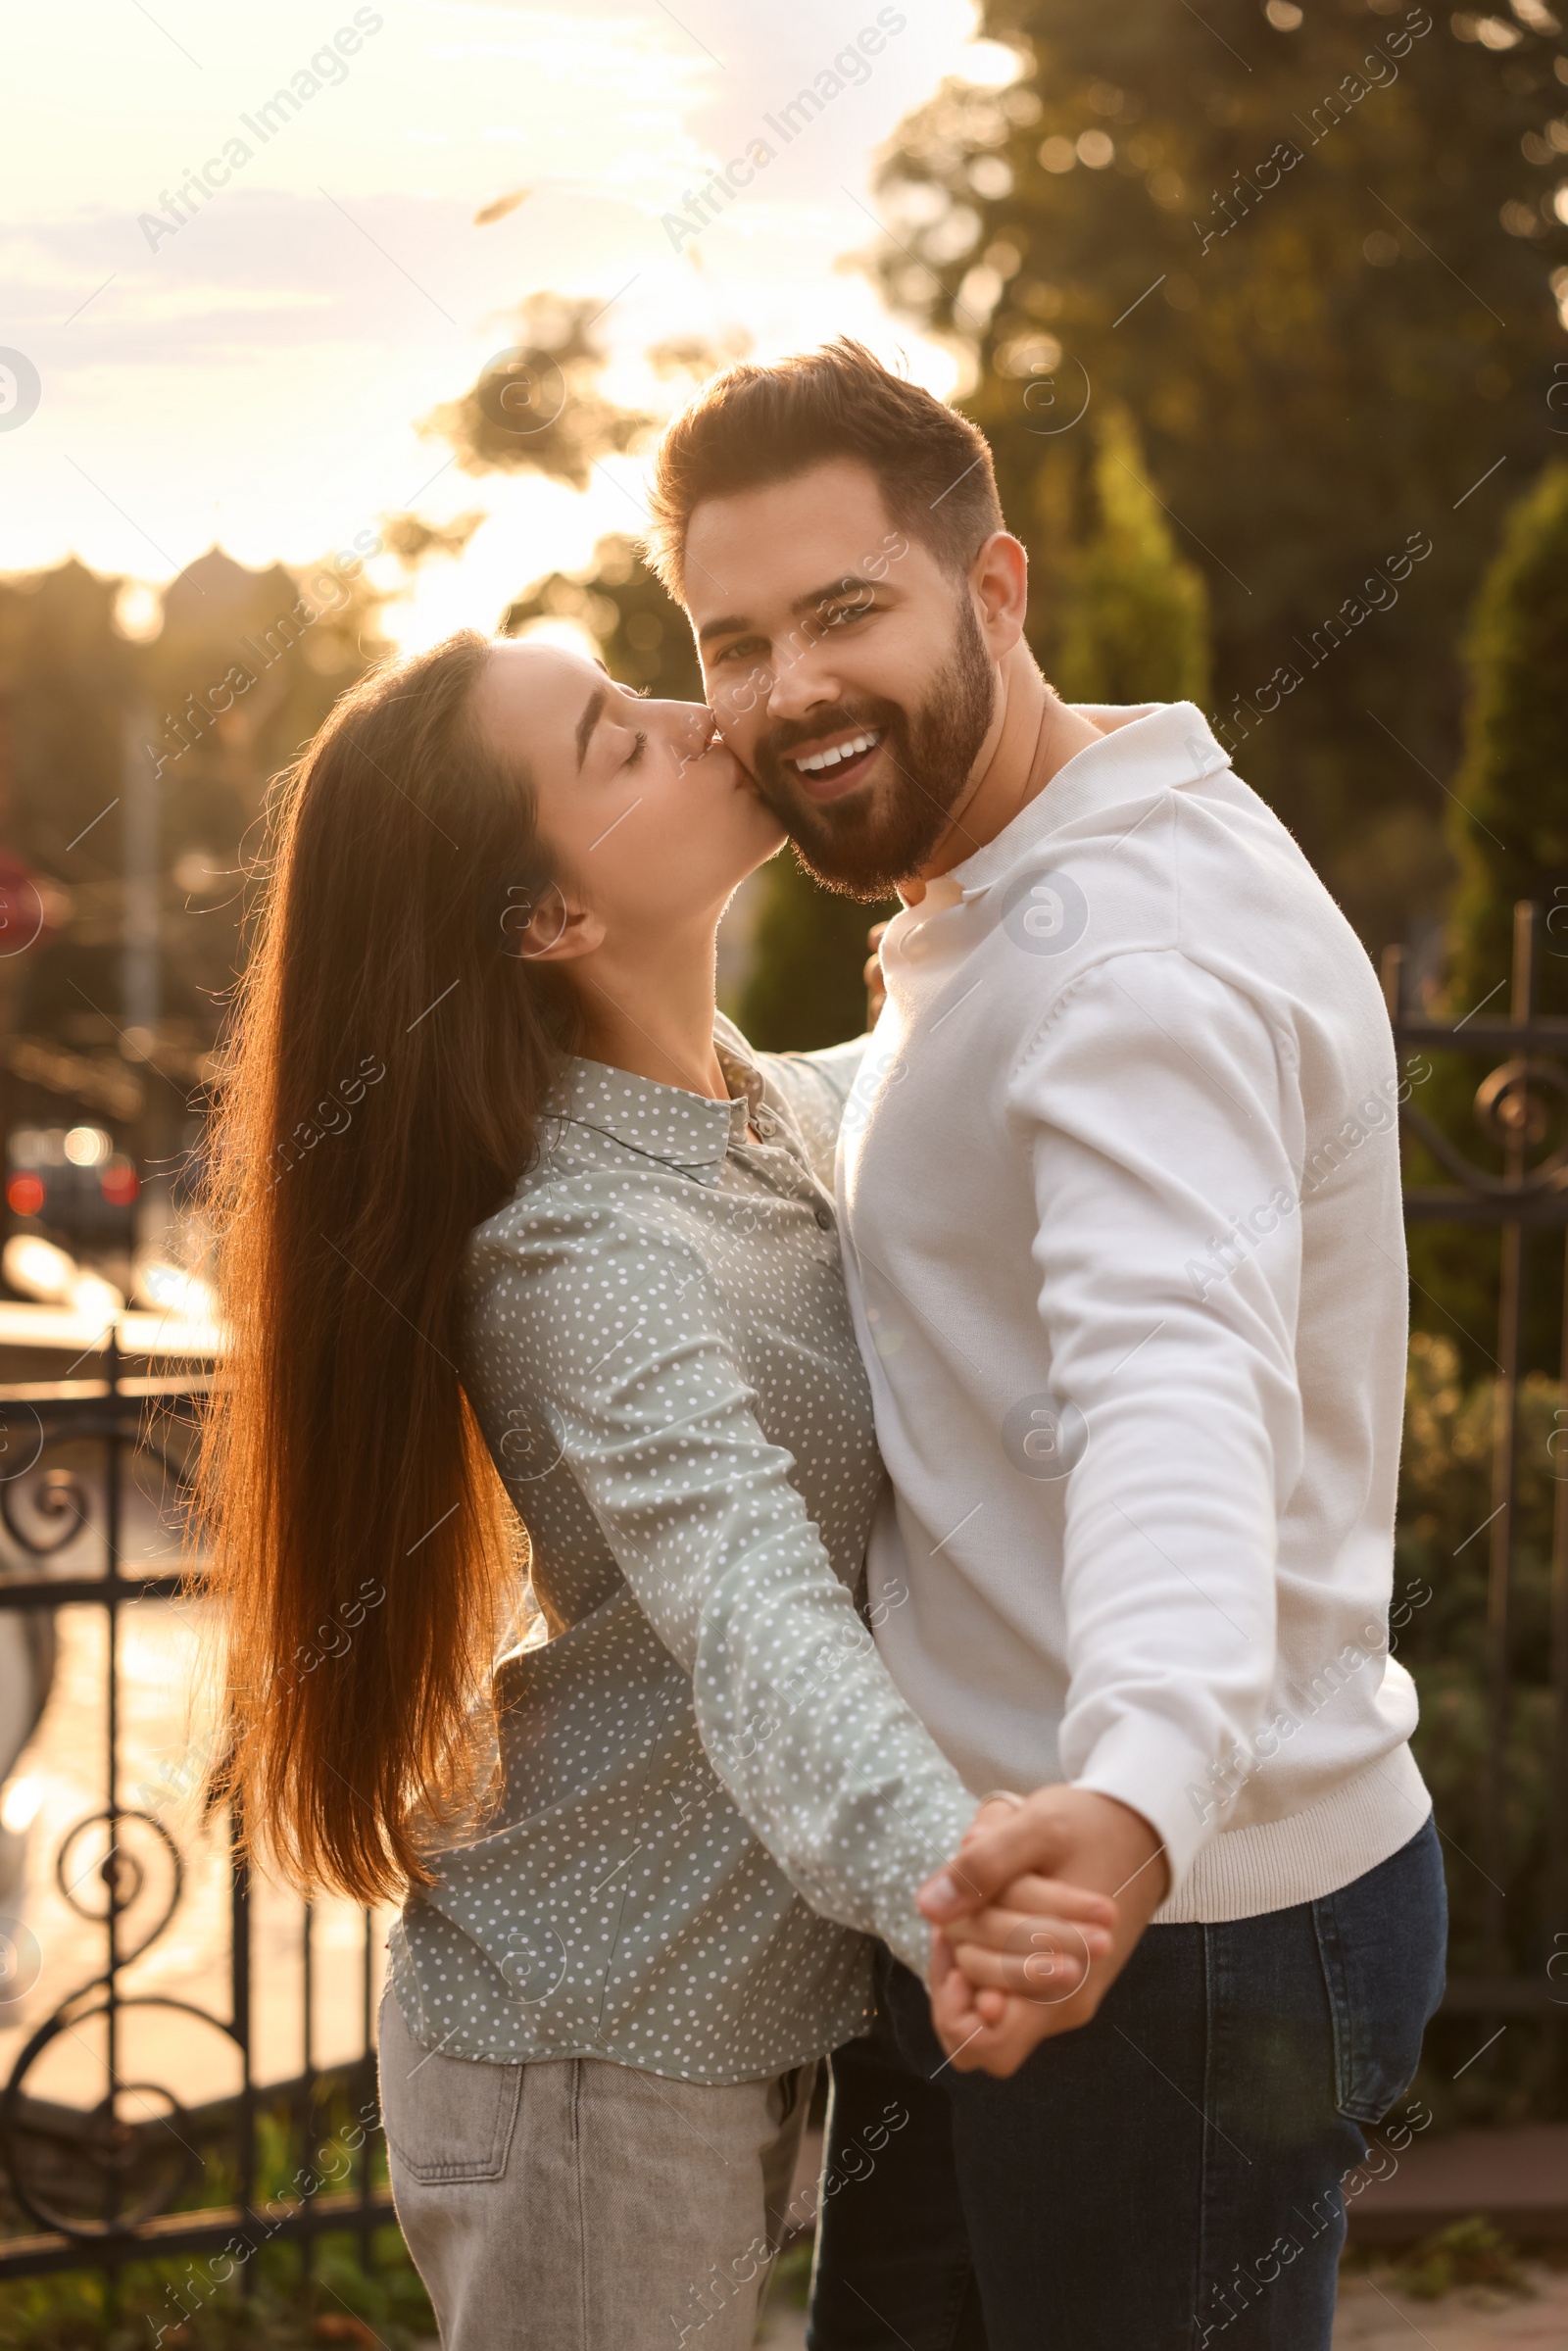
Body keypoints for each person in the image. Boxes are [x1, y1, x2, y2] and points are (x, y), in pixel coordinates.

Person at [648, 338, 1449, 2350]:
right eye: (729, 641)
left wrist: (1137, 1788)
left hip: (1159, 1932)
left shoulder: (1129, 963)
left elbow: (1171, 1381)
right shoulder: (1021, 879)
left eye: (845, 613)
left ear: (992, 589)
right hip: (1018, 1894)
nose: (784, 692)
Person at [193, 626, 1112, 2350]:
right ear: (548, 919)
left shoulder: (754, 1109)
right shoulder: (578, 1246)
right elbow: (744, 1595)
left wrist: (1099, 770)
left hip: (719, 2021)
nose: (708, 722)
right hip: (586, 2052)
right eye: (621, 746)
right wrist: (957, 1883)